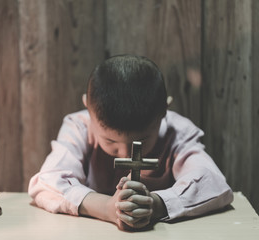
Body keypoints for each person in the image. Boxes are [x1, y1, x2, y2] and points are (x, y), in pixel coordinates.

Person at [28, 55, 233, 231]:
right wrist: (108, 207)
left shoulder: (177, 131)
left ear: (164, 111)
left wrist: (155, 204)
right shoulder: (79, 126)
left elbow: (212, 182)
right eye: (110, 140)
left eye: (141, 141)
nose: (126, 154)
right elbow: (48, 181)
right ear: (87, 108)